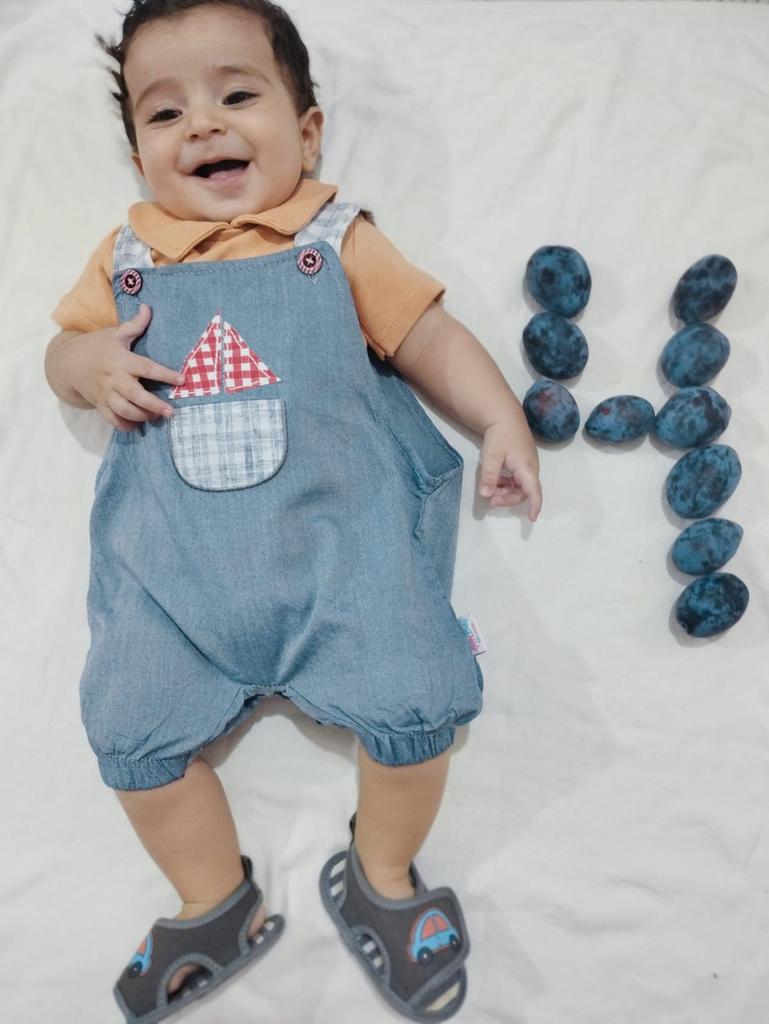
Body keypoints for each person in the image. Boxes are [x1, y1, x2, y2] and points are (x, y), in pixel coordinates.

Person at [44, 1, 542, 1020]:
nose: (201, 125)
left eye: (236, 95)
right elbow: (60, 356)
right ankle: (211, 898)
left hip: (343, 566)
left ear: (306, 132)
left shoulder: (337, 240)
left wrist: (500, 418)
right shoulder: (128, 257)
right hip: (174, 587)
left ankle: (382, 875)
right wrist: (85, 362)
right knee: (127, 724)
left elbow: (427, 338)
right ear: (139, 157)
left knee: (418, 703)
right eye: (164, 112)